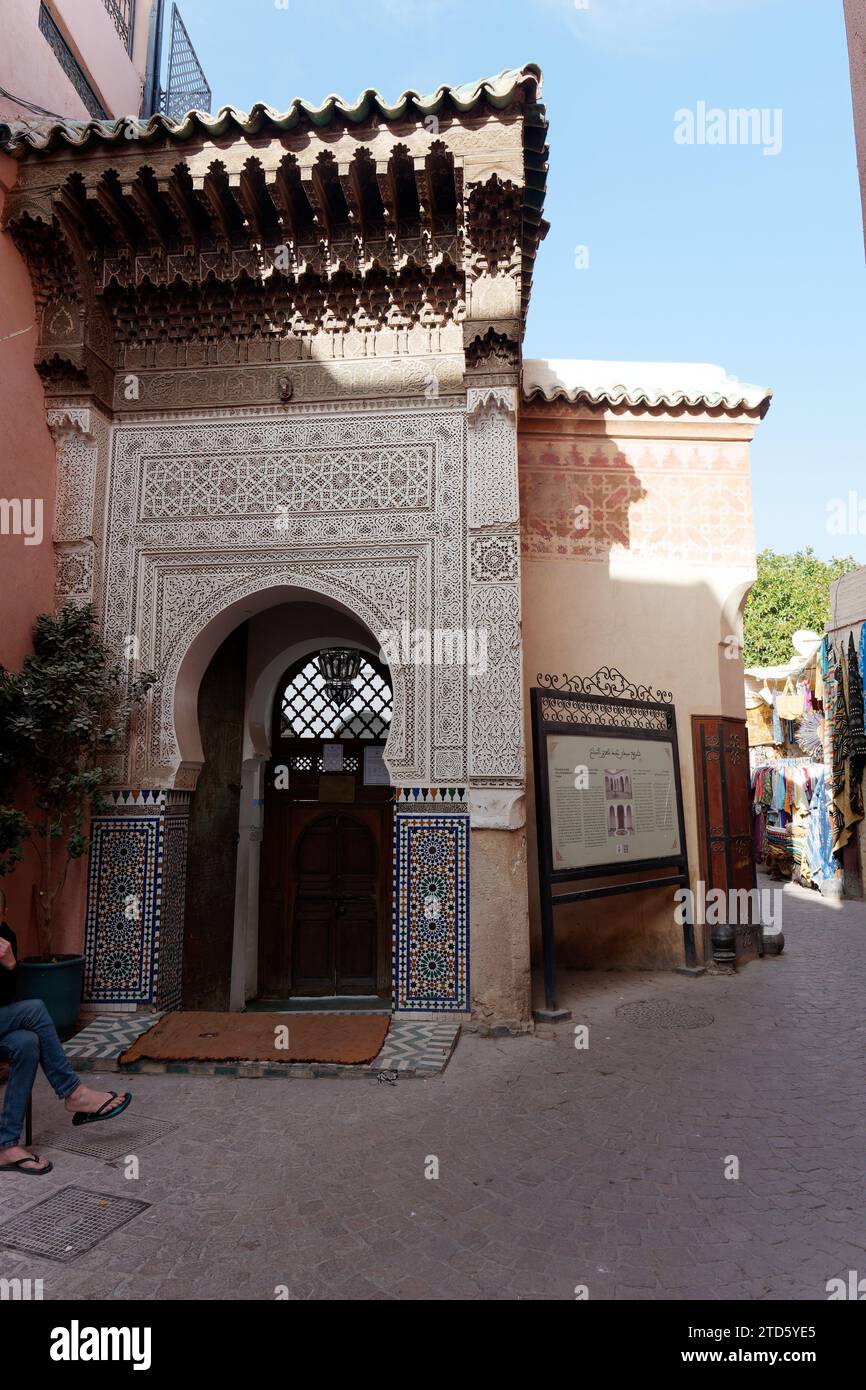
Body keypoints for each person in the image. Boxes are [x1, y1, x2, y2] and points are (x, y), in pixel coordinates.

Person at [0, 888, 132, 1175]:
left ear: (3, 914)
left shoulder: (6, 938)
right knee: (34, 1009)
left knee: (27, 1041)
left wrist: (10, 966)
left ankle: (6, 1145)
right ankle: (74, 1093)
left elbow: (8, 999)